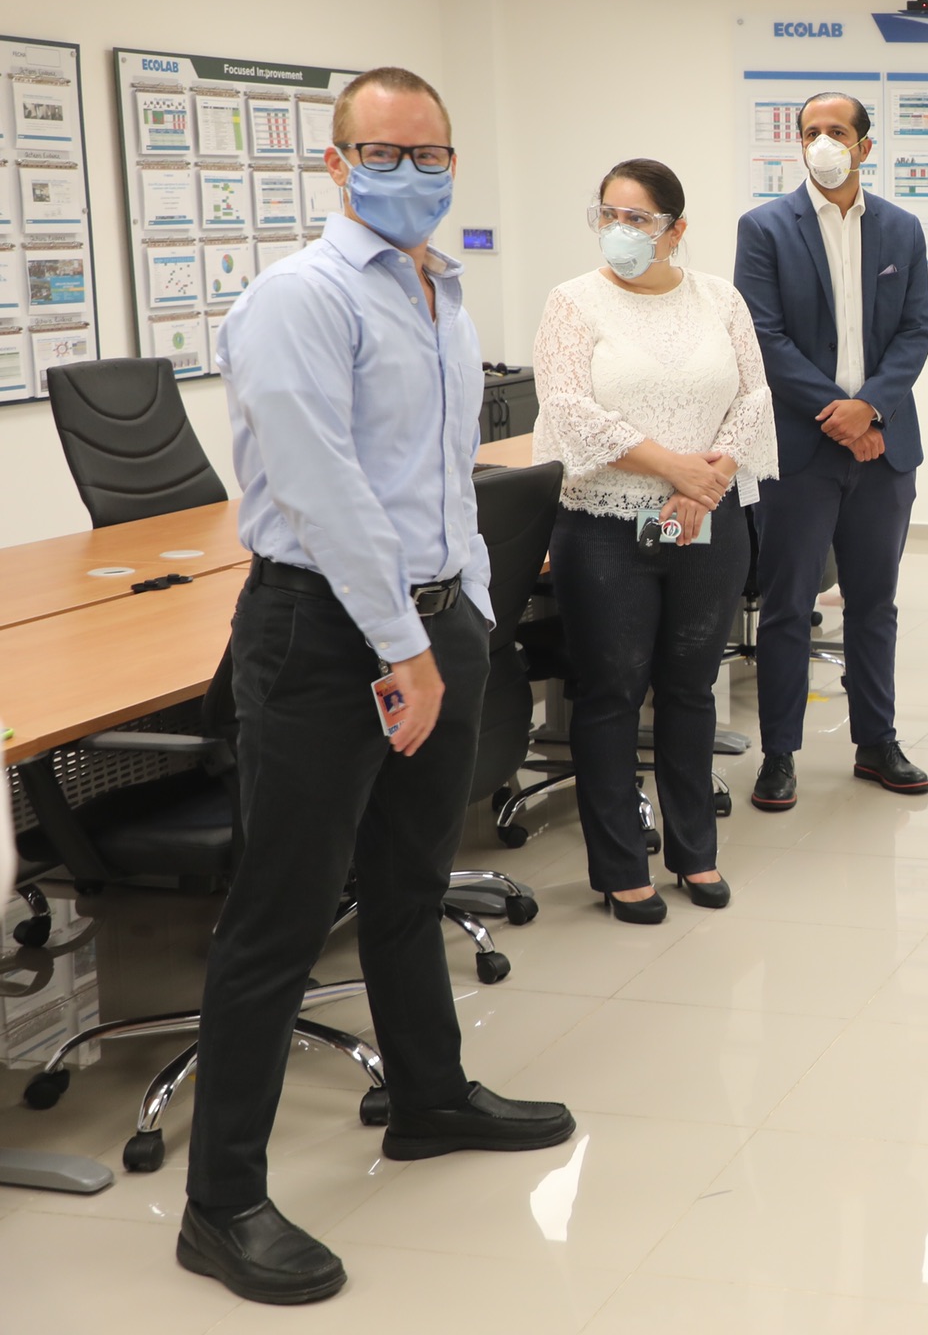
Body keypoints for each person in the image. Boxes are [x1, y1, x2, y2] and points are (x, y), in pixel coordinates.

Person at [187, 67, 572, 1304]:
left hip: (434, 620)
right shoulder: (298, 299)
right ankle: (221, 1204)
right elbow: (324, 491)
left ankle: (428, 1096)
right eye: (383, 152)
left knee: (409, 880)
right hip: (325, 633)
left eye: (430, 153)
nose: (410, 173)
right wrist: (401, 643)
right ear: (336, 162)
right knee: (282, 917)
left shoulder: (438, 289)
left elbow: (444, 477)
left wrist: (464, 614)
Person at [533, 158, 775, 923]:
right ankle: (619, 867)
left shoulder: (719, 299)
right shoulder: (573, 303)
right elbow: (569, 411)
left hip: (707, 520)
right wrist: (677, 469)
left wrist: (706, 483)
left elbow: (753, 398)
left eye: (637, 218)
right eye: (608, 214)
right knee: (610, 693)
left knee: (689, 689)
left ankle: (694, 853)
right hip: (605, 526)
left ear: (676, 229)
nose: (620, 231)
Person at [735, 91, 928, 809]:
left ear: (864, 147)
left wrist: (870, 407)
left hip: (885, 449)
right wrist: (841, 416)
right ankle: (779, 752)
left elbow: (915, 330)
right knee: (788, 606)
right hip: (799, 449)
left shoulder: (902, 229)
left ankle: (876, 741)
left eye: (838, 131)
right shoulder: (764, 228)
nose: (824, 142)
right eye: (811, 131)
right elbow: (763, 336)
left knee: (874, 604)